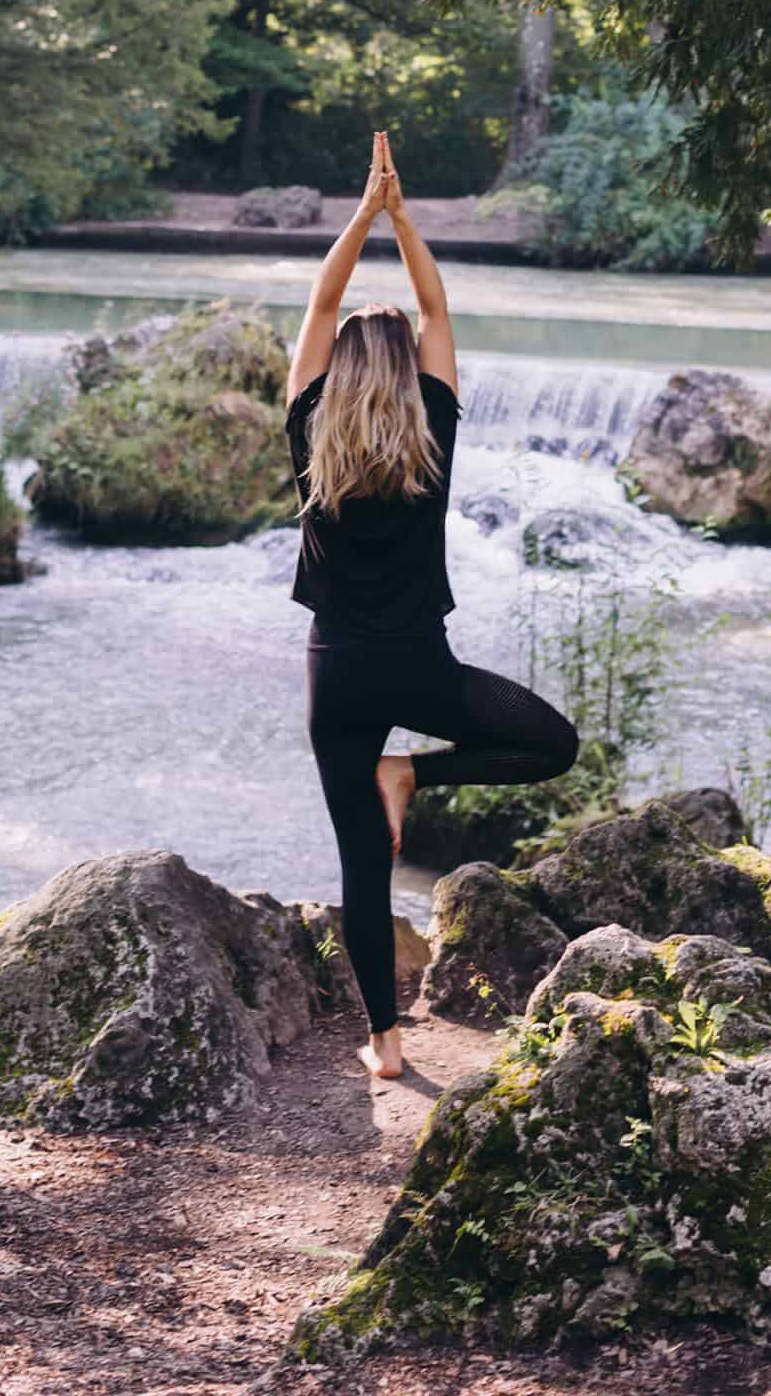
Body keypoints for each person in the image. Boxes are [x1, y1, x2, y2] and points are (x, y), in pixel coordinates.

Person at [285, 129, 578, 1082]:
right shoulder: (434, 433)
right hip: (421, 665)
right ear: (410, 374)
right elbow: (436, 305)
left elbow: (323, 301)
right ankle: (412, 772)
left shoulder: (309, 431)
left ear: (335, 373)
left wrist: (359, 219)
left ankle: (384, 1044)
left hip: (337, 676)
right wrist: (402, 219)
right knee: (552, 744)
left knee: (361, 873)